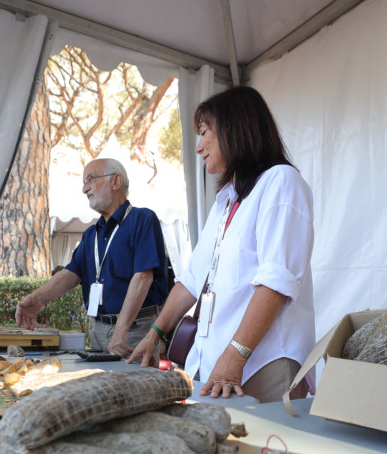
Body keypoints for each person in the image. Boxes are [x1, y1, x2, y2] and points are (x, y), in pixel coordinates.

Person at [128, 86, 315, 403]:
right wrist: (153, 335)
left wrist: (236, 354)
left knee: (265, 449)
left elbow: (276, 280)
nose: (198, 147)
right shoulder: (227, 200)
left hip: (262, 363)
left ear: (235, 128)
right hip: (220, 362)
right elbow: (191, 281)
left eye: (203, 133)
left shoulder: (281, 181)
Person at [15, 158, 168, 356]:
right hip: (98, 329)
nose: (84, 189)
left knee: (134, 387)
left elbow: (143, 277)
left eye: (90, 180)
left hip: (134, 329)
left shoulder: (142, 219)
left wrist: (122, 328)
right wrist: (36, 299)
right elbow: (71, 273)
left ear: (116, 181)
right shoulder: (91, 234)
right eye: (84, 183)